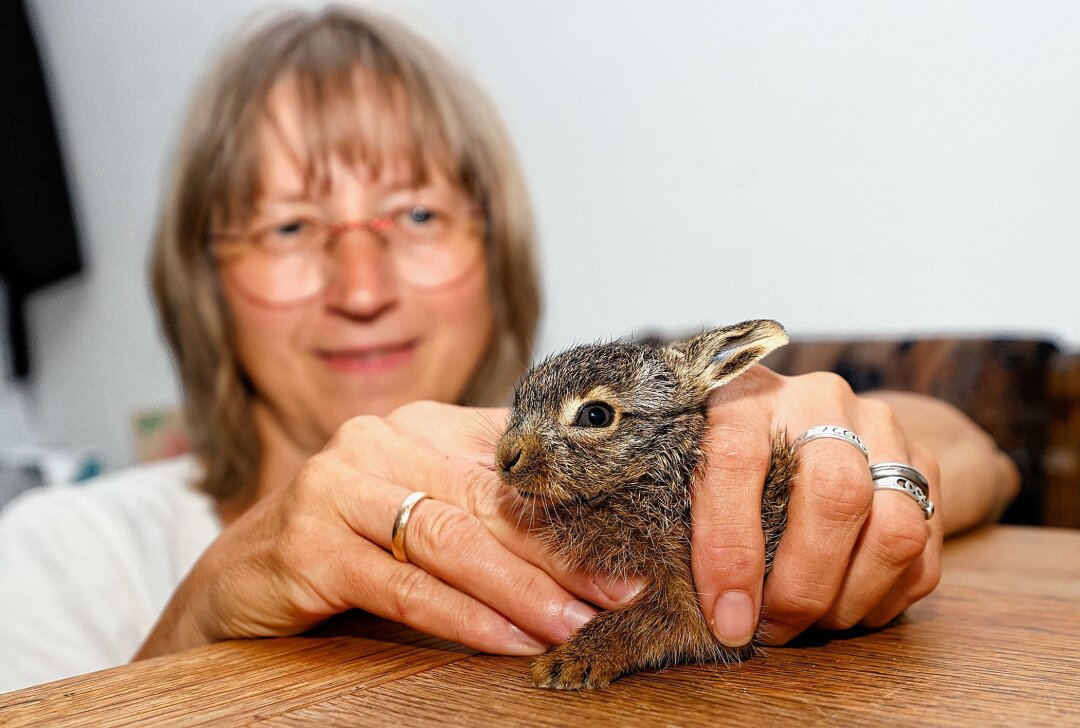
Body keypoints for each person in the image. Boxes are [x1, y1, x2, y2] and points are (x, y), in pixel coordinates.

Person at [0, 6, 1019, 693]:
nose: (363, 287)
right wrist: (204, 607)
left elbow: (970, 448)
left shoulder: (597, 474)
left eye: (415, 212)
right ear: (199, 282)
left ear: (497, 251)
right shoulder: (59, 552)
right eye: (290, 227)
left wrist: (846, 462)